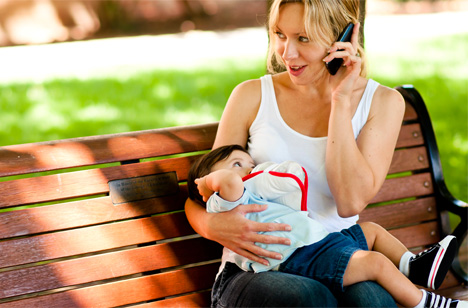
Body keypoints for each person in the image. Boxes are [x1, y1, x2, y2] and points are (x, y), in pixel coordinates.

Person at [184, 0, 434, 306]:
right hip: (255, 267)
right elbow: (203, 191)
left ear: (341, 37)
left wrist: (339, 101)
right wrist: (211, 225)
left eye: (303, 38)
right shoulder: (250, 96)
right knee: (309, 297)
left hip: (337, 253)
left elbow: (349, 202)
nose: (287, 53)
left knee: (372, 300)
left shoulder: (382, 103)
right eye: (280, 34)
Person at [187, 144, 464, 308]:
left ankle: (415, 266)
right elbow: (230, 183)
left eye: (251, 162)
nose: (250, 169)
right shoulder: (226, 202)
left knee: (372, 232)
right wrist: (210, 182)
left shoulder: (258, 194)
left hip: (320, 244)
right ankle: (426, 302)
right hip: (299, 257)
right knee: (374, 264)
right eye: (239, 164)